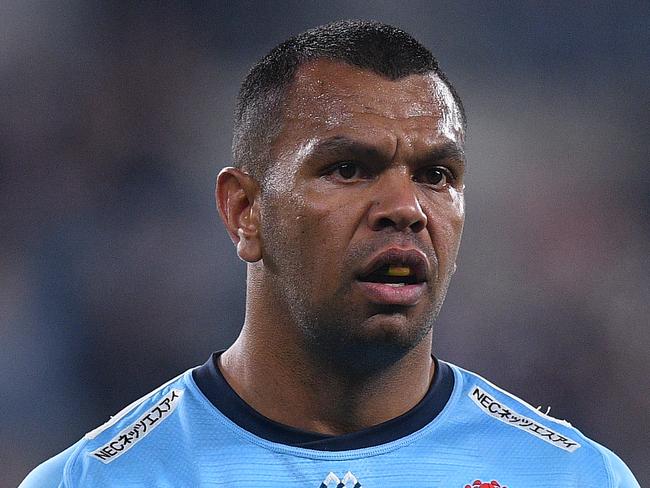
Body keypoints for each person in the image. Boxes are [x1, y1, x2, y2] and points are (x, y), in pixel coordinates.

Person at [21, 20, 639, 488]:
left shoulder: (573, 477)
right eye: (348, 168)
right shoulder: (98, 480)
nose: (406, 207)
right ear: (243, 210)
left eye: (436, 173)